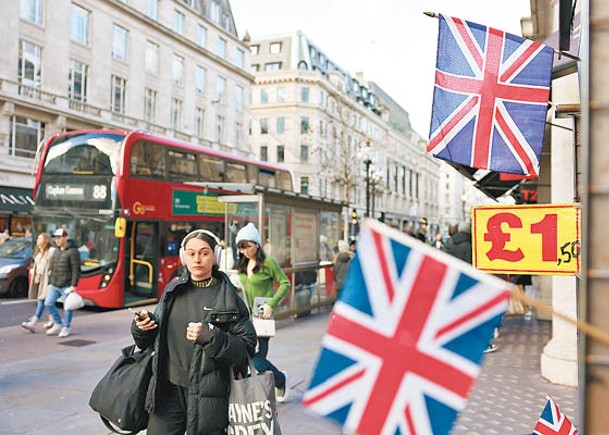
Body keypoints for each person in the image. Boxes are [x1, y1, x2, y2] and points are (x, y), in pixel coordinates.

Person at [131, 229, 257, 434]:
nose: (197, 259)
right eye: (191, 253)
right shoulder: (173, 290)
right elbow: (150, 340)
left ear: (215, 256)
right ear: (183, 257)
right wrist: (142, 327)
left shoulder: (229, 298)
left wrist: (212, 337)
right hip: (167, 391)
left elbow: (247, 348)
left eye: (204, 253)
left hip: (208, 397)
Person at [235, 222, 290, 402]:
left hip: (262, 318)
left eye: (248, 246)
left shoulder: (268, 263)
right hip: (246, 319)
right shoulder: (242, 265)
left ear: (256, 244)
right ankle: (263, 389)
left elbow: (285, 283)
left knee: (259, 360)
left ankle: (280, 379)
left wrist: (271, 304)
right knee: (248, 357)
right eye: (241, 248)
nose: (245, 251)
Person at [44, 228, 80, 338]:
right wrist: (50, 281)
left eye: (59, 237)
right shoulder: (56, 251)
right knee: (48, 303)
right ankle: (58, 323)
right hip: (54, 283)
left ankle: (66, 327)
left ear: (65, 237)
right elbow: (53, 267)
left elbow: (76, 269)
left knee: (67, 307)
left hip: (67, 284)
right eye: (56, 238)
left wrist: (74, 285)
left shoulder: (73, 251)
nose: (57, 240)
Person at [20, 233, 55, 333]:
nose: (37, 241)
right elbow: (37, 266)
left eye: (40, 239)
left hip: (48, 280)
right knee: (47, 301)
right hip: (40, 280)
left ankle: (33, 323)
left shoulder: (51, 251)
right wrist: (36, 275)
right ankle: (53, 319)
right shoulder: (39, 253)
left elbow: (55, 264)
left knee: (42, 300)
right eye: (38, 238)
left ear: (46, 240)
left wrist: (50, 274)